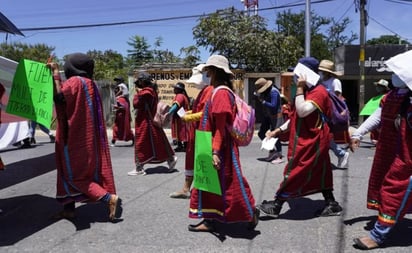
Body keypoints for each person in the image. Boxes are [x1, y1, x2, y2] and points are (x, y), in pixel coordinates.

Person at [257, 57, 343, 219]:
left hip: (313, 141)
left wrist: (299, 90)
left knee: (295, 170)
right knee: (321, 172)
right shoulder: (309, 92)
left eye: (297, 75)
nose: (295, 78)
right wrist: (277, 131)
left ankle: (277, 204)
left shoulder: (319, 92)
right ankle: (331, 203)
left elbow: (303, 110)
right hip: (306, 139)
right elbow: (295, 117)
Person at [47, 53, 122, 221]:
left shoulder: (75, 82)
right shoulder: (90, 83)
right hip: (88, 137)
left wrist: (55, 75)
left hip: (73, 137)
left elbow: (60, 98)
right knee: (68, 172)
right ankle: (68, 209)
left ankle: (107, 198)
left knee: (73, 174)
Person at [188, 55, 258, 232]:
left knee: (228, 184)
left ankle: (249, 213)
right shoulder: (219, 91)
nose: (206, 74)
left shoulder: (220, 94)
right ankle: (211, 220)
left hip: (220, 149)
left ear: (213, 71)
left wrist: (215, 152)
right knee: (212, 185)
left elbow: (220, 128)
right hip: (213, 146)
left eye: (208, 71)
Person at [350, 72, 412, 250]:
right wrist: (358, 133)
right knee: (387, 185)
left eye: (400, 73)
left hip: (406, 155)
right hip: (388, 150)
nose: (395, 76)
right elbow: (378, 116)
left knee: (395, 189)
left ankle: (378, 235)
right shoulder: (391, 96)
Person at [169, 63, 213, 199]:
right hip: (196, 131)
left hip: (204, 132)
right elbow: (198, 110)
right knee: (191, 159)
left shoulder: (210, 91)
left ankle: (200, 190)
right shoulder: (203, 91)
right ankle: (187, 188)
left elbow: (207, 113)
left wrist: (189, 117)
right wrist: (190, 113)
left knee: (203, 163)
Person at [128, 71, 177, 176]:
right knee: (157, 142)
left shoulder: (146, 92)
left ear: (143, 81)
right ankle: (170, 159)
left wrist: (137, 93)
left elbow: (136, 104)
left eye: (139, 81)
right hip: (149, 121)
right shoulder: (152, 91)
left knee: (141, 143)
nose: (138, 83)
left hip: (145, 122)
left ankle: (139, 167)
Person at [318, 59, 350, 169]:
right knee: (322, 135)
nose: (321, 72)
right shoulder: (321, 81)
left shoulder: (335, 81)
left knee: (324, 135)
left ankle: (340, 153)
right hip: (322, 110)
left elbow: (337, 98)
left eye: (322, 71)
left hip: (330, 111)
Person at [254, 78, 283, 164]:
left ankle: (279, 155)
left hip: (276, 116)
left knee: (275, 135)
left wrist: (263, 102)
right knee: (261, 133)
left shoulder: (274, 92)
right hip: (268, 116)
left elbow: (273, 105)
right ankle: (272, 151)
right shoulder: (266, 93)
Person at [167, 82, 190, 152]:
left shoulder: (179, 96)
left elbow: (176, 106)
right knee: (182, 132)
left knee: (180, 131)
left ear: (178, 89)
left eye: (175, 88)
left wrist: (168, 113)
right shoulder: (183, 96)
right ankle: (183, 146)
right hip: (182, 116)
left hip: (180, 117)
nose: (174, 89)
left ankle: (182, 146)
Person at [368, 79, 391, 145]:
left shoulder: (387, 96)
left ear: (384, 88)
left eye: (380, 86)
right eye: (377, 86)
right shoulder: (377, 97)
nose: (377, 88)